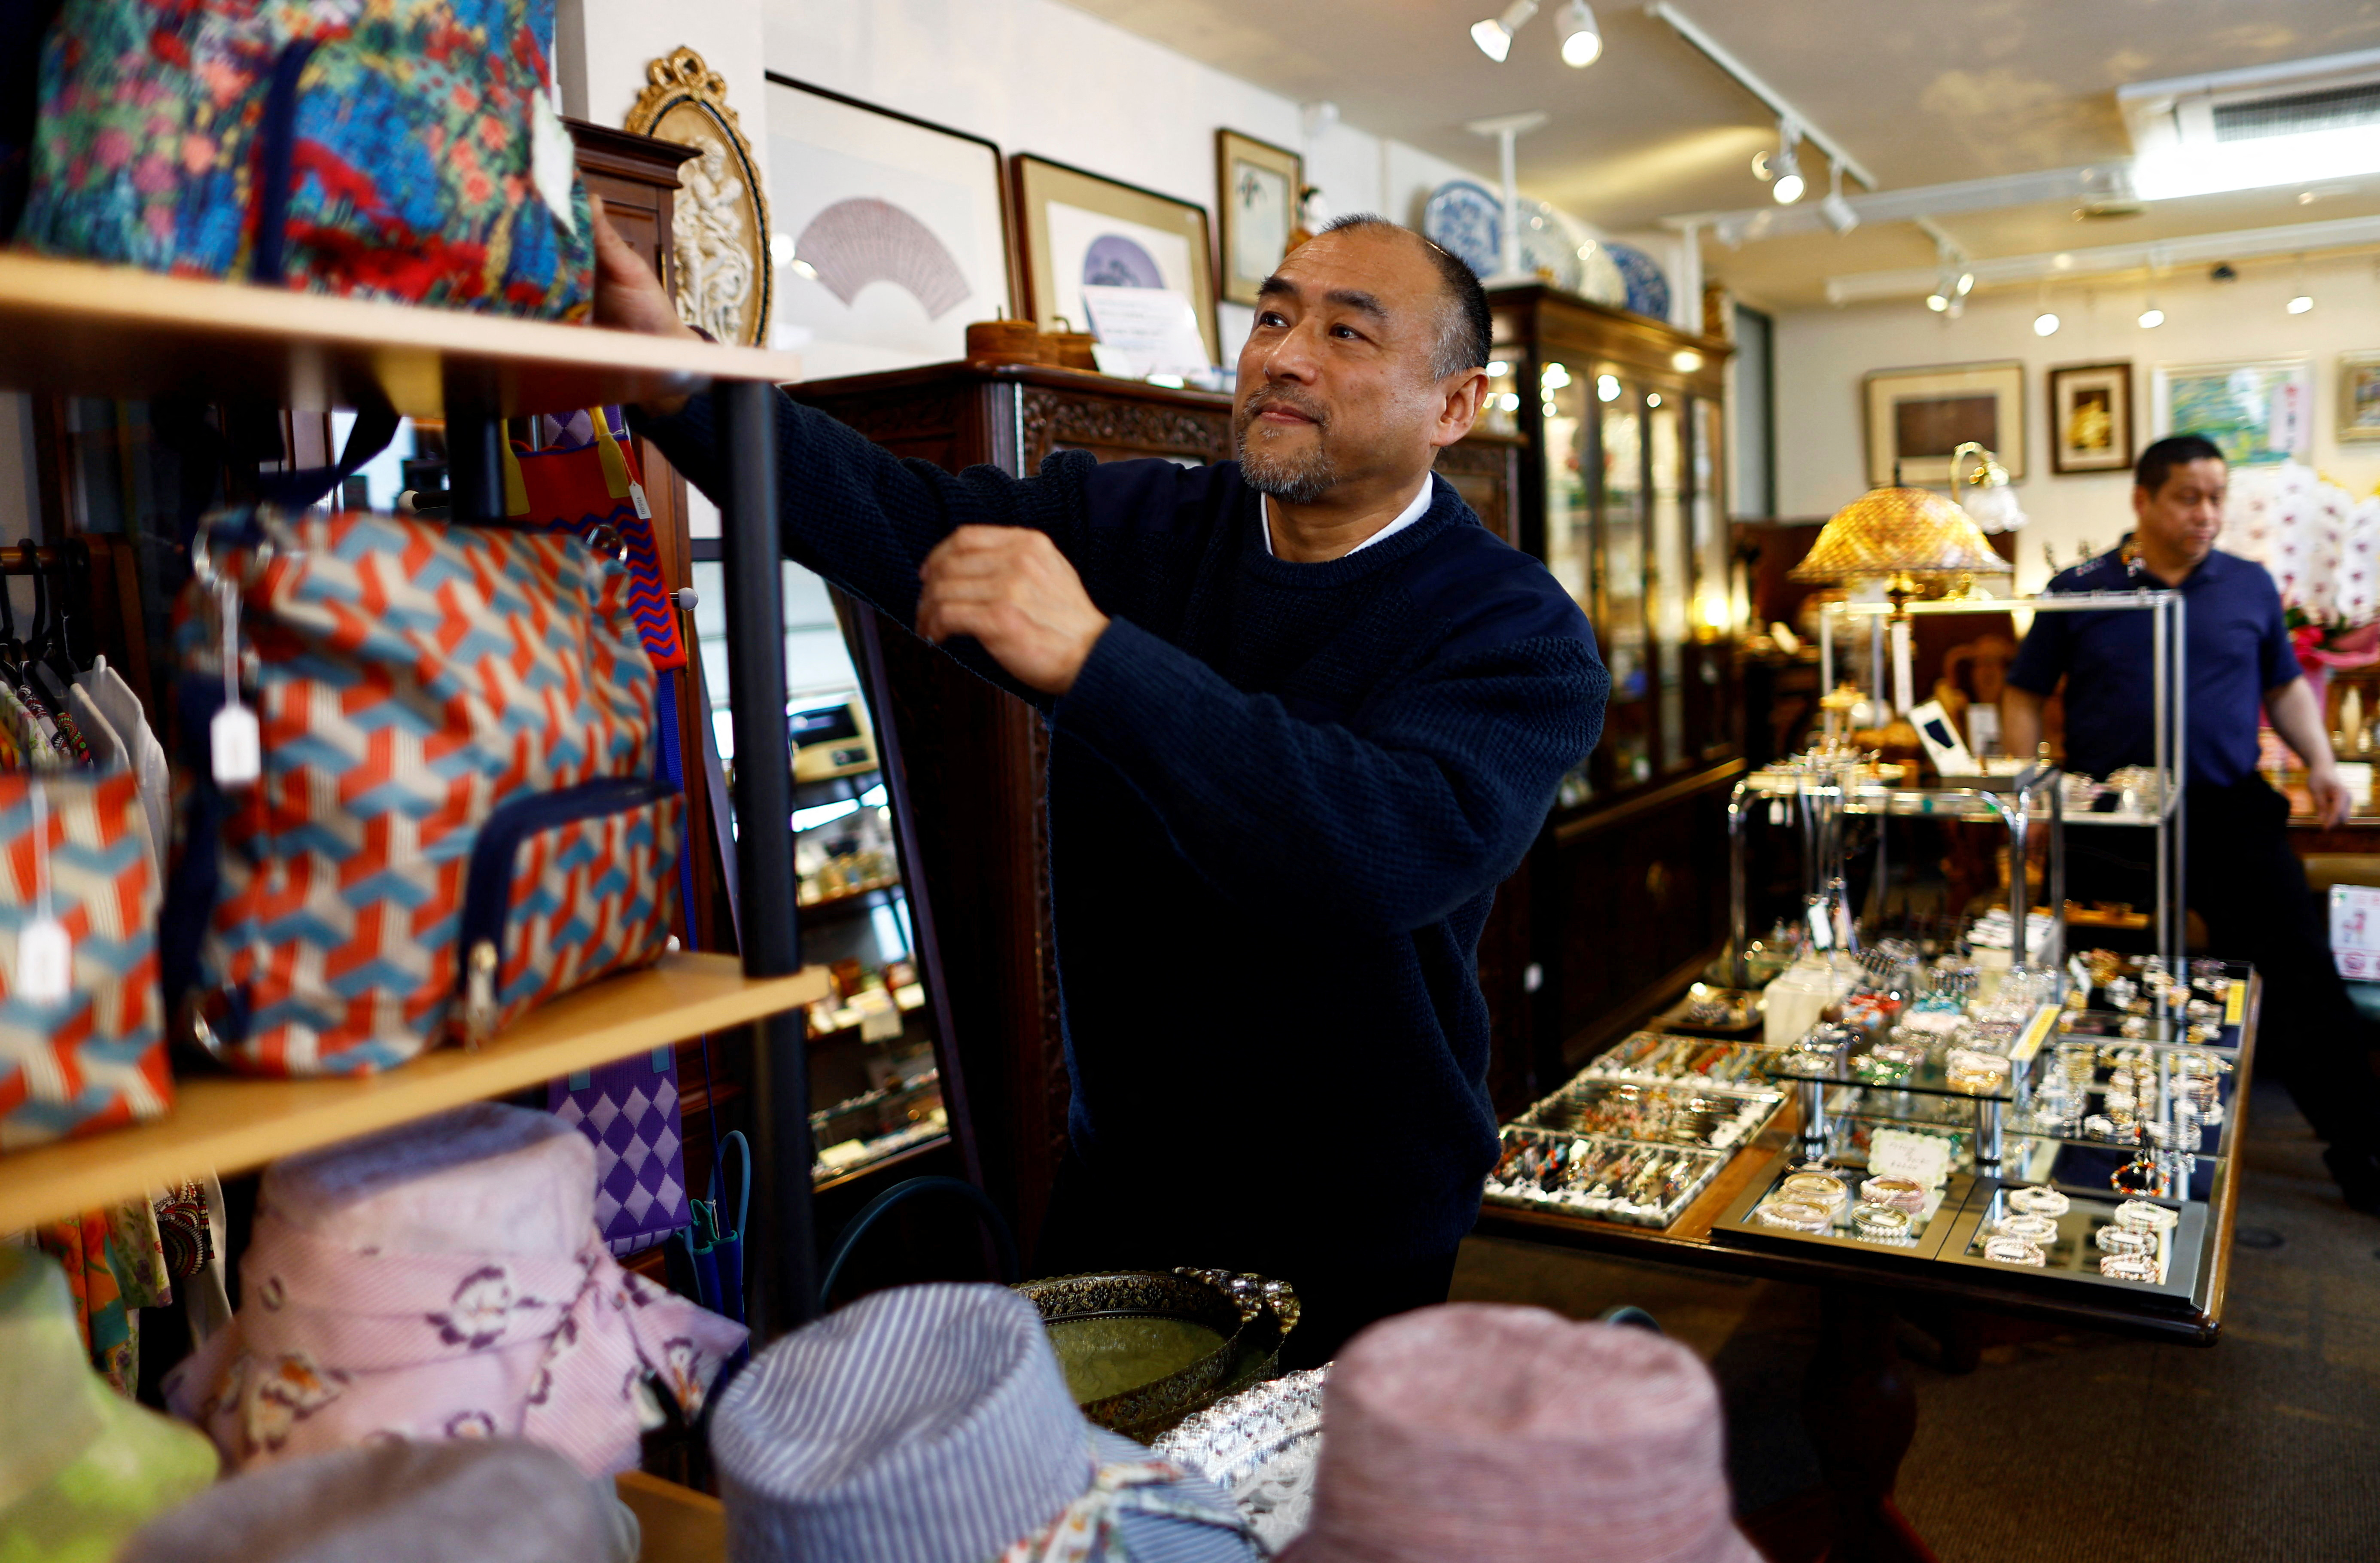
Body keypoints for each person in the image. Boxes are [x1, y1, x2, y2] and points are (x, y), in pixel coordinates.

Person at [591, 204, 1610, 1361]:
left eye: (1345, 333)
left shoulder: (1515, 634)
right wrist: (676, 381)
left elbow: (1371, 849)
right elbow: (892, 517)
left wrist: (1096, 661)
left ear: (1453, 405)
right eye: (1273, 316)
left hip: (1358, 1223)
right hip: (1117, 1188)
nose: (1281, 353)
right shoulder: (1137, 525)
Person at [2003, 433, 2380, 1209]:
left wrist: (2318, 763)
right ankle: (2094, 1159)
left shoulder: (2248, 586)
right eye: (2188, 497)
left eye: (2217, 497)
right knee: (2103, 982)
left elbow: (2284, 688)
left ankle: (2363, 1150)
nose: (2206, 514)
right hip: (2110, 816)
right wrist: (2032, 788)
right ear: (2142, 500)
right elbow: (2022, 693)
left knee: (2303, 976)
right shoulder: (2080, 588)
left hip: (2229, 809)